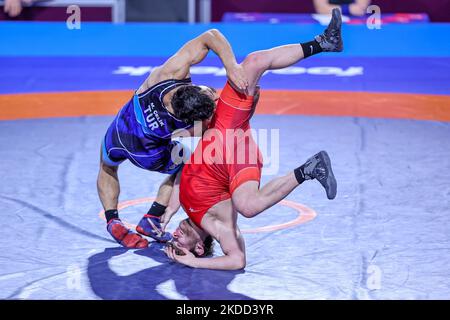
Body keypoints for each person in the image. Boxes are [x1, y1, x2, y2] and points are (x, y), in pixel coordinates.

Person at [164, 9, 343, 270]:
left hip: (218, 127)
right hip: (235, 151)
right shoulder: (217, 225)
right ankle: (310, 169)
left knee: (254, 61)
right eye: (179, 245)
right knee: (247, 206)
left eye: (172, 241)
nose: (175, 237)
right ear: (199, 248)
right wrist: (193, 264)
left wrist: (166, 209)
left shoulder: (186, 209)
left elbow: (185, 175)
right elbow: (237, 261)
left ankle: (323, 42)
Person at [97, 29, 248, 248]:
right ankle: (154, 217)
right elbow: (205, 134)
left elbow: (210, 36)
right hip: (147, 152)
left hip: (120, 130)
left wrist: (231, 66)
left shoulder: (168, 74)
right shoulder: (191, 125)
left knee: (107, 166)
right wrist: (231, 67)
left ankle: (112, 220)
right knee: (189, 162)